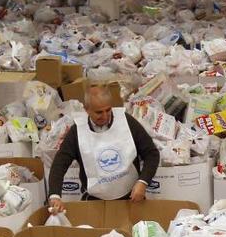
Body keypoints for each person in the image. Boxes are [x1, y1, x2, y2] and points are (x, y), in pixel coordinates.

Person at [48, 83, 160, 213]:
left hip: (131, 199)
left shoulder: (126, 122)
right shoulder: (77, 131)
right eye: (99, 112)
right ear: (86, 109)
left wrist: (143, 181)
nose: (105, 116)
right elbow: (59, 164)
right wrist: (55, 196)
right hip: (95, 202)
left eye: (108, 110)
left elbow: (151, 153)